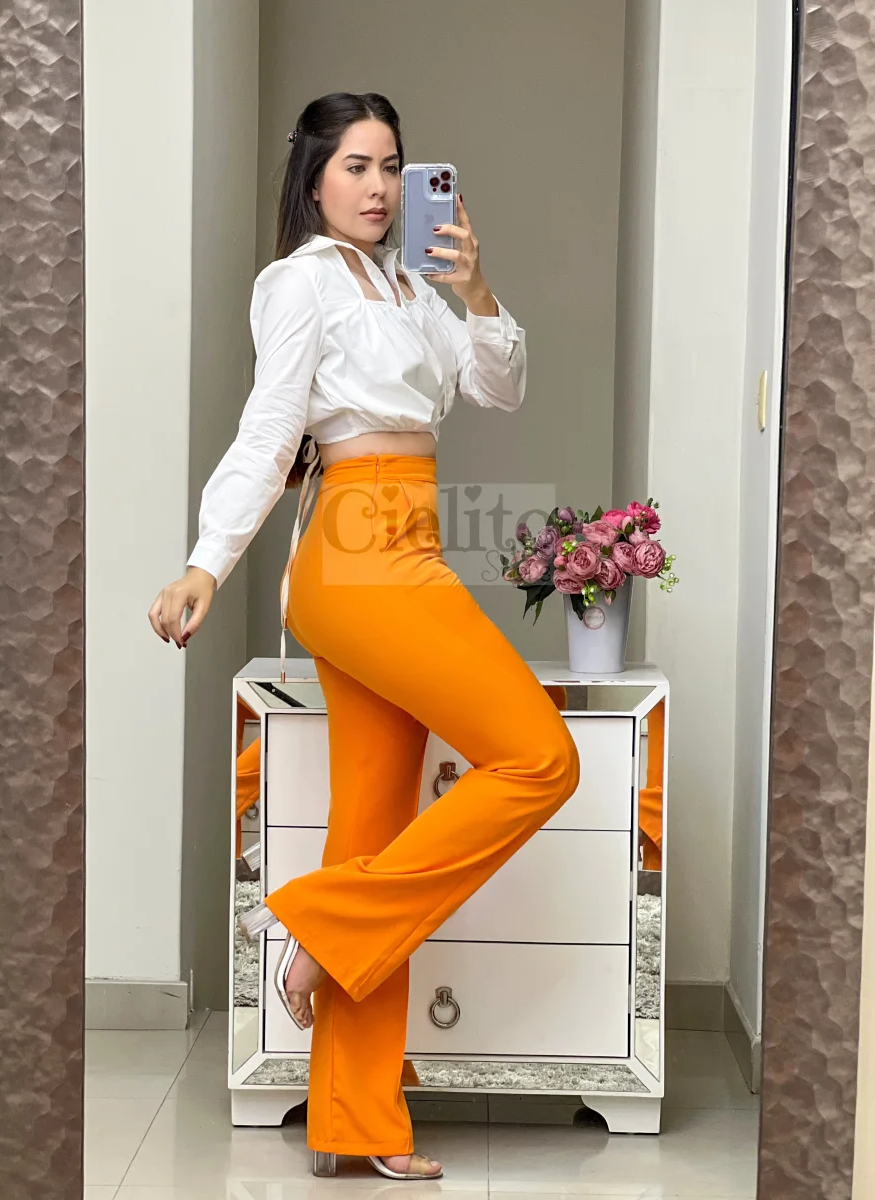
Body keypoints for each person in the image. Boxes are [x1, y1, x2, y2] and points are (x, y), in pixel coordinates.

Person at [148, 91, 580, 1183]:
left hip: (411, 539)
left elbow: (499, 386)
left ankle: (356, 1120)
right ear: (314, 178)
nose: (380, 186)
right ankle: (327, 926)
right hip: (353, 548)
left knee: (372, 825)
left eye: (392, 165)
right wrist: (207, 560)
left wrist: (476, 289)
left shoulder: (413, 287)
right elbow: (269, 427)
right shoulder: (300, 282)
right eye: (356, 165)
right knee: (541, 758)